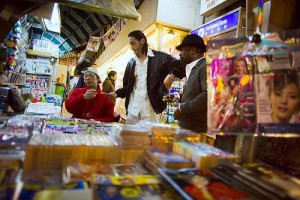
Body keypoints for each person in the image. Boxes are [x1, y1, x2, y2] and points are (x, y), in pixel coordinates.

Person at [108, 30, 184, 123]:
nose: (131, 47)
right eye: (130, 45)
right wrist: (116, 94)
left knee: (149, 138)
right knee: (130, 137)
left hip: (150, 111)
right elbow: (127, 87)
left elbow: (182, 64)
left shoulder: (161, 58)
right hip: (132, 111)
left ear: (142, 41)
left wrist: (172, 75)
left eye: (133, 43)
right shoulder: (131, 63)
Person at [173, 34, 207, 133]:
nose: (180, 54)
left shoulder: (205, 67)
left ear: (192, 50)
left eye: (182, 50)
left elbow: (208, 95)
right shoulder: (193, 68)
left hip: (195, 128)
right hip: (188, 126)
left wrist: (182, 108)